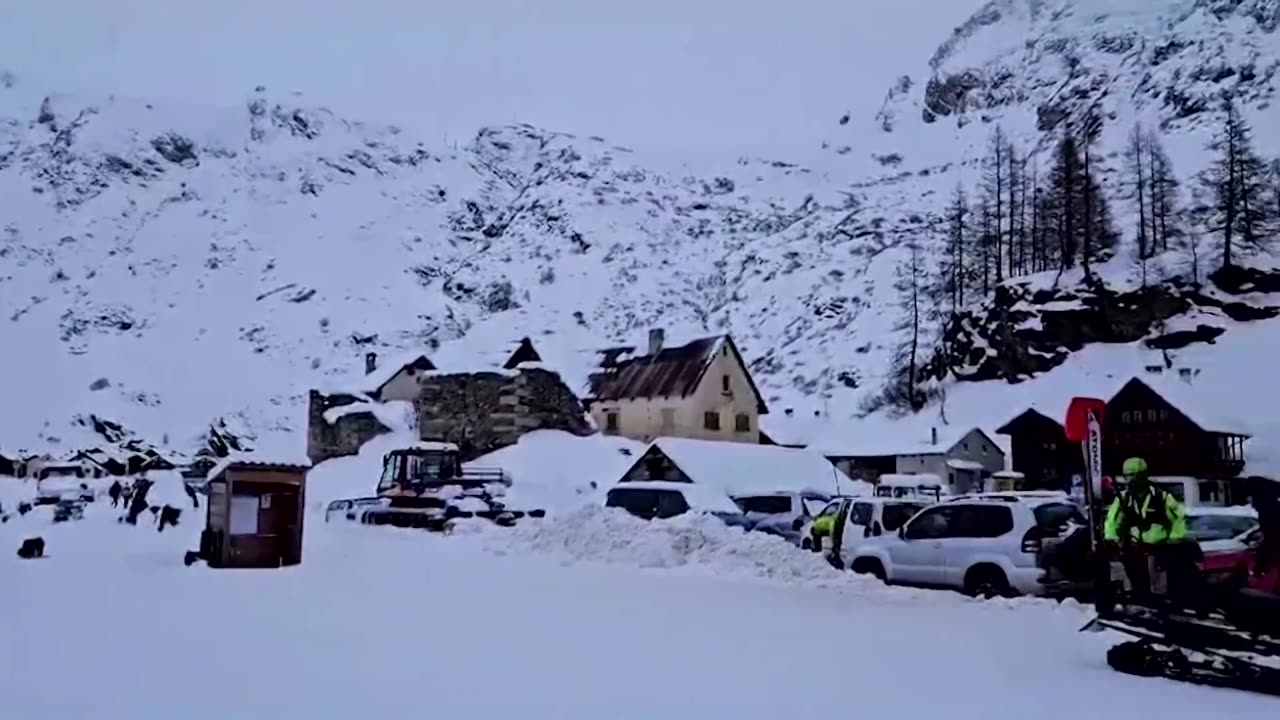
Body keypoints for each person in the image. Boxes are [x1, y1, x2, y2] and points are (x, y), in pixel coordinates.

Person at [1103, 457, 1188, 603]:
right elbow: (1112, 520)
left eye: (1133, 475)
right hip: (1133, 547)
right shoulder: (1123, 498)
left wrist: (1174, 540)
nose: (1130, 480)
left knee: (1157, 572)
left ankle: (1160, 599)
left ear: (1143, 476)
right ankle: (1133, 598)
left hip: (1157, 547)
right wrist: (1112, 538)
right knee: (1127, 573)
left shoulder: (1161, 497)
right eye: (1127, 476)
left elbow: (1178, 519)